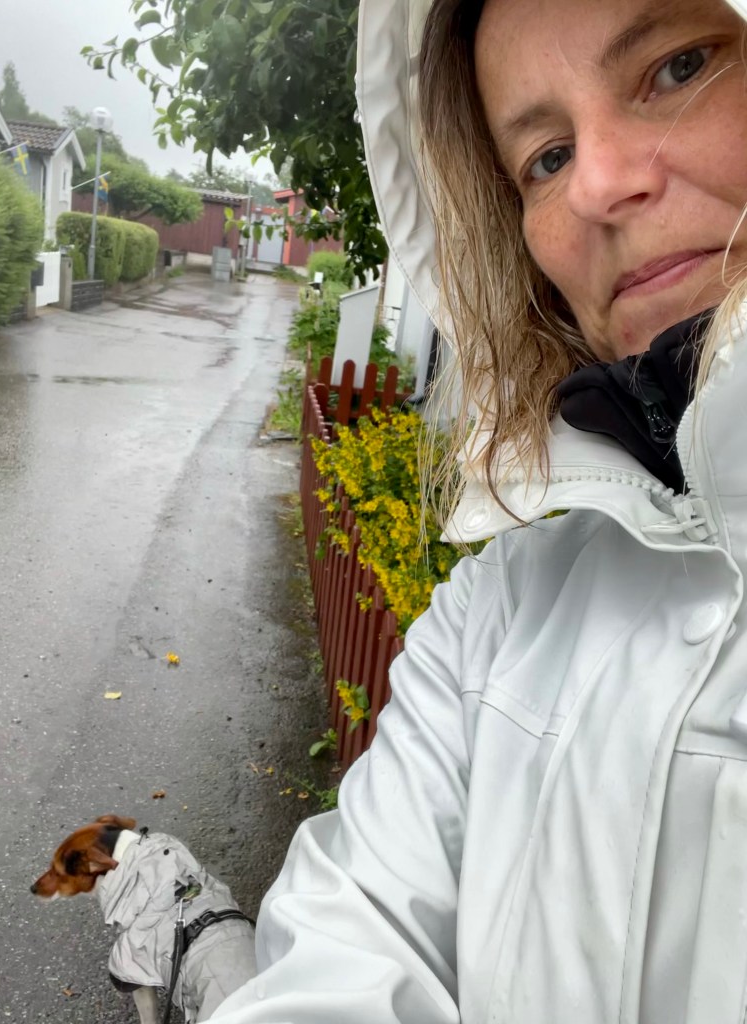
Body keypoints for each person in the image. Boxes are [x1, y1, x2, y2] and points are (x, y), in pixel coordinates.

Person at [208, 0, 747, 1021]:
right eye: (545, 158)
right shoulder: (493, 616)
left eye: (680, 67)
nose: (597, 184)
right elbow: (349, 940)